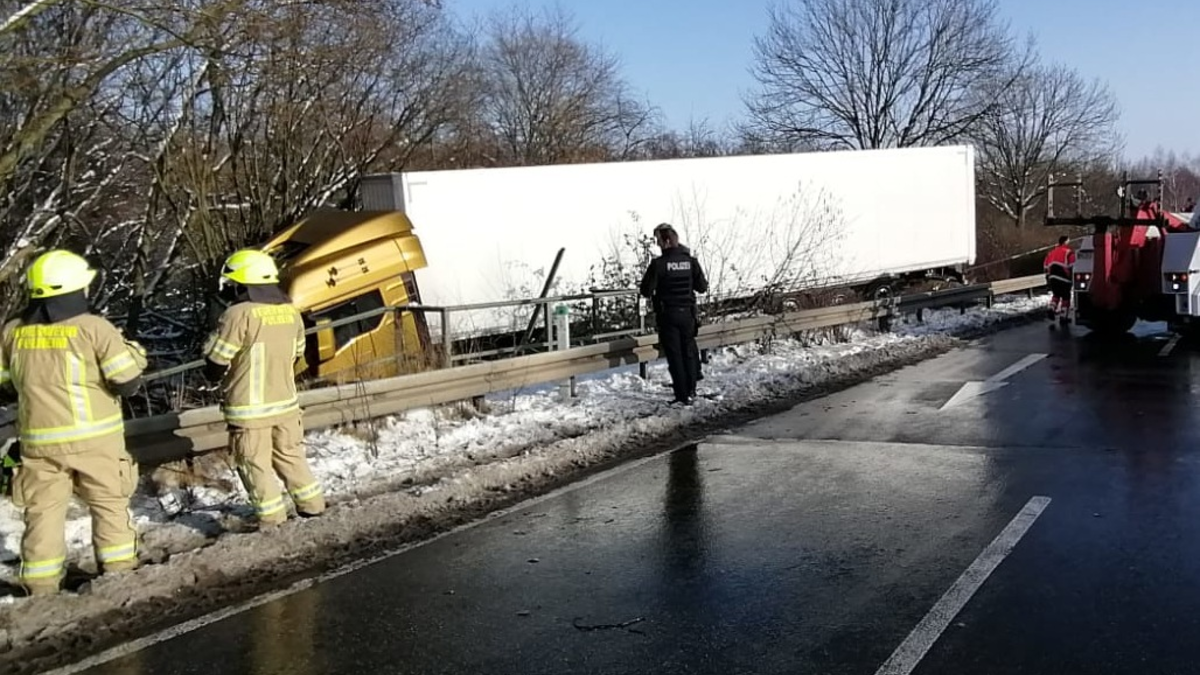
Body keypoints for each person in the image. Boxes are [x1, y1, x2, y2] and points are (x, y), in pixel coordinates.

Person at [0, 249, 147, 595]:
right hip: (96, 440)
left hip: (39, 443)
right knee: (109, 505)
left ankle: (40, 586)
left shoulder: (11, 331)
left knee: (42, 513)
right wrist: (135, 353)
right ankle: (119, 572)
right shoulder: (94, 328)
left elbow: (5, 387)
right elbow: (128, 383)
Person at [203, 249, 324, 528]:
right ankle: (313, 507)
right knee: (291, 456)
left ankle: (273, 520)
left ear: (242, 282)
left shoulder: (237, 314)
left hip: (249, 410)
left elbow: (217, 362)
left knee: (253, 463)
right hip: (286, 405)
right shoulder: (290, 312)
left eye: (234, 284)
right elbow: (297, 353)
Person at [640, 223, 708, 404]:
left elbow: (645, 290)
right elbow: (702, 287)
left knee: (675, 356)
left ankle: (682, 394)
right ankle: (692, 390)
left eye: (659, 241)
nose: (658, 244)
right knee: (689, 352)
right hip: (688, 315)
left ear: (667, 241)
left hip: (668, 315)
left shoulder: (659, 264)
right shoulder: (691, 261)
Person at [1043, 236, 1075, 323]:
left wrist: (1048, 277)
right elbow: (1073, 265)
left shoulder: (1051, 253)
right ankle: (1063, 316)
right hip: (1064, 278)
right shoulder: (1068, 252)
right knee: (1066, 297)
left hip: (1052, 277)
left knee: (1056, 295)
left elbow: (1045, 266)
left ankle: (1052, 308)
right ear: (1065, 242)